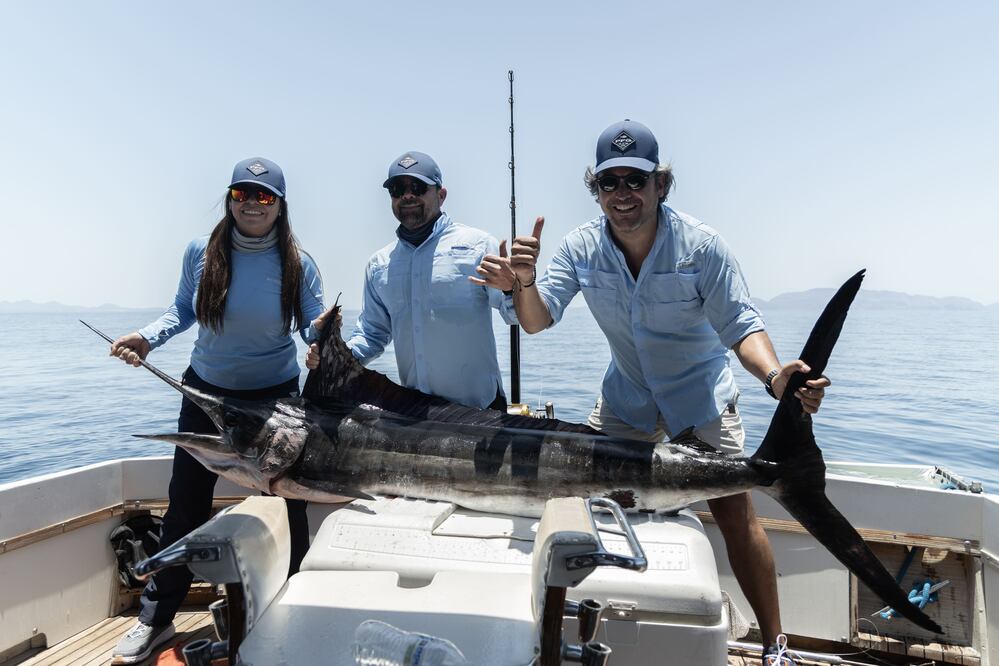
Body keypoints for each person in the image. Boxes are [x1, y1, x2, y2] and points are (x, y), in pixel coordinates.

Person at [474, 120, 829, 665]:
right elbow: (539, 320)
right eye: (609, 183)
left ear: (661, 185)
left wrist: (777, 377)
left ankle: (773, 645)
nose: (623, 194)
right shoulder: (580, 247)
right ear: (595, 190)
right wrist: (522, 283)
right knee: (587, 504)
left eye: (635, 181)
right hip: (627, 401)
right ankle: (578, 626)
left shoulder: (703, 247)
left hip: (701, 399)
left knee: (736, 514)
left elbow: (741, 326)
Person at [108, 157, 325, 664]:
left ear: (280, 206)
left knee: (293, 504)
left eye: (264, 196)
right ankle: (156, 620)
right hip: (205, 393)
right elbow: (182, 309)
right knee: (185, 503)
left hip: (276, 401)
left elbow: (312, 324)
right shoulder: (202, 251)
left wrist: (321, 341)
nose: (251, 203)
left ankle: (296, 605)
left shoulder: (299, 261)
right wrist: (148, 338)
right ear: (230, 198)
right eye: (242, 193)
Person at [308, 151, 517, 410]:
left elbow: (514, 315)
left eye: (417, 187)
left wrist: (513, 288)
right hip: (416, 413)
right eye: (397, 189)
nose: (407, 195)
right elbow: (372, 335)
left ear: (441, 195)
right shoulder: (379, 264)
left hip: (480, 410)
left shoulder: (479, 245)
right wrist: (331, 356)